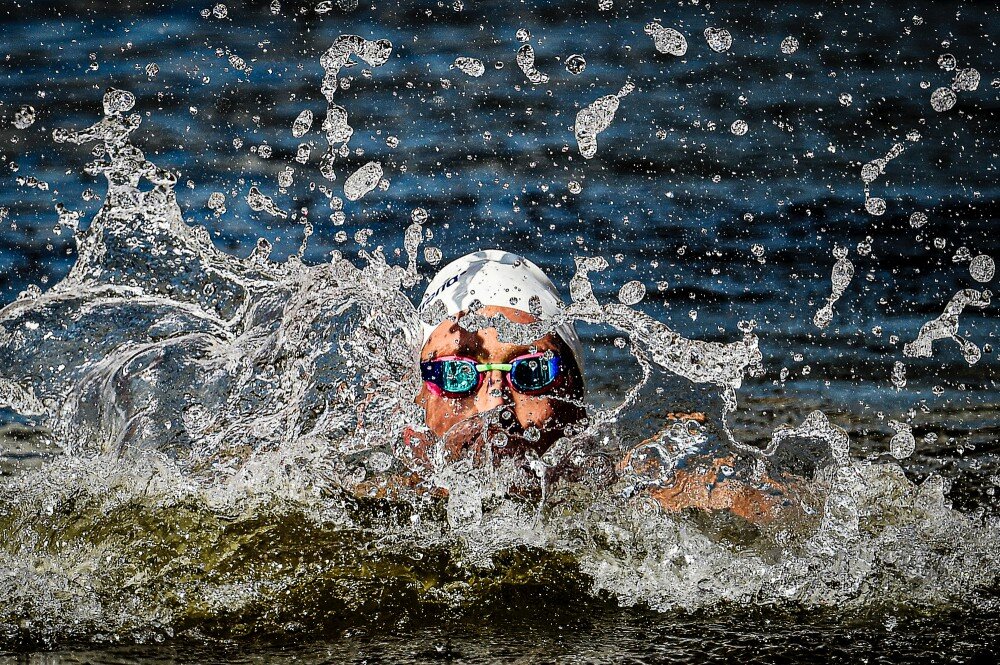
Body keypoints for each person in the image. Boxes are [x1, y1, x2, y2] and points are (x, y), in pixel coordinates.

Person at [383, 250, 794, 523]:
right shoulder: (365, 505)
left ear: (577, 404)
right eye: (457, 372)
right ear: (414, 403)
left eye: (531, 372)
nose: (496, 402)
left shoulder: (638, 497)